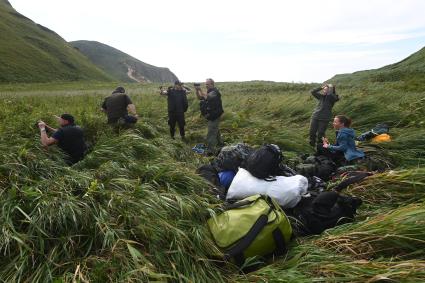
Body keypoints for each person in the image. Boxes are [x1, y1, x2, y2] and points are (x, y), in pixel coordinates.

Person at [195, 78, 224, 154]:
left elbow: (208, 97)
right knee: (215, 129)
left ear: (212, 84)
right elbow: (200, 97)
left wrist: (200, 89)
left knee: (211, 132)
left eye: (207, 84)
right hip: (211, 115)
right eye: (206, 84)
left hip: (215, 115)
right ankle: (220, 144)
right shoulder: (209, 91)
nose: (206, 85)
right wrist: (197, 90)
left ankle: (210, 151)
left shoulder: (215, 91)